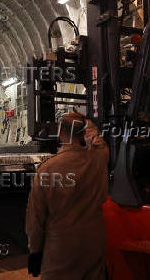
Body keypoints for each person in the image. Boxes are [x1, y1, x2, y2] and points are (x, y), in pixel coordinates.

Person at [26, 111, 109, 280]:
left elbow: (36, 218)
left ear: (60, 132)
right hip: (93, 247)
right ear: (83, 134)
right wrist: (88, 128)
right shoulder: (98, 159)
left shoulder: (47, 169)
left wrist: (35, 251)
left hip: (61, 250)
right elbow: (99, 143)